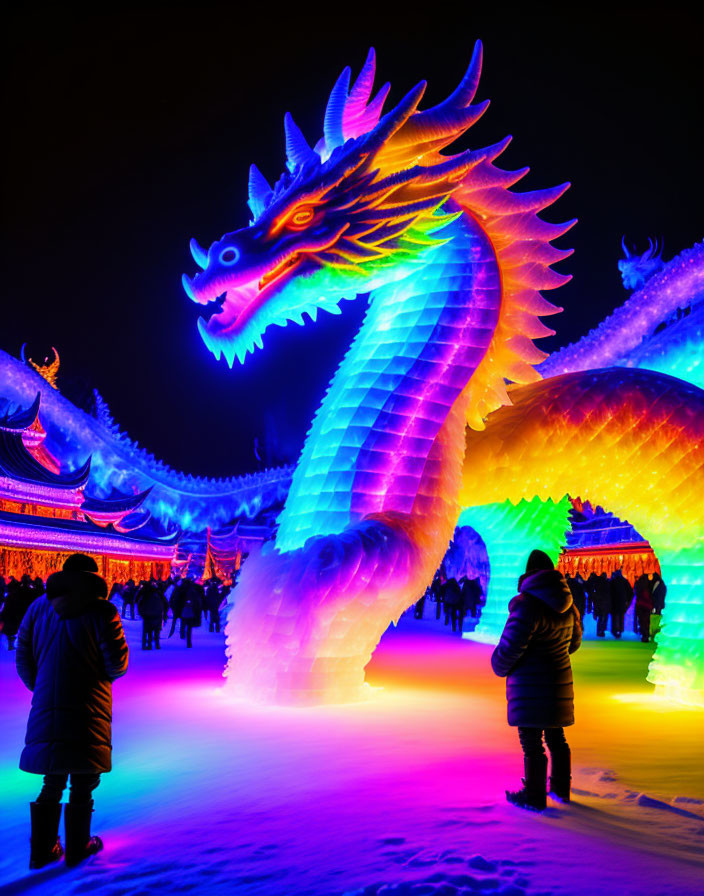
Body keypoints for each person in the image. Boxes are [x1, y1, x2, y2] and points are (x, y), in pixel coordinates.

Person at [15, 553, 129, 868]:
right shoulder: (102, 610)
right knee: (83, 776)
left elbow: (22, 652)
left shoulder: (38, 607)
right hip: (89, 703)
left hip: (47, 704)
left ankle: (43, 849)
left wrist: (41, 686)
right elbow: (117, 665)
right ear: (95, 577)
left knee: (53, 777)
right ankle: (79, 846)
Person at [491, 550, 582, 811]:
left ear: (528, 574)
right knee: (557, 738)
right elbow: (573, 644)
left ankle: (533, 795)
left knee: (531, 743)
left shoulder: (527, 605)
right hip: (558, 682)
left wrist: (499, 664)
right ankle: (561, 789)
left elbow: (511, 647)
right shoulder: (567, 605)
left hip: (530, 685)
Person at [137, 578, 164, 649]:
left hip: (147, 614)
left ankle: (148, 644)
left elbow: (137, 601)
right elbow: (164, 602)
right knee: (157, 629)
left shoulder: (144, 593)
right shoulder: (157, 592)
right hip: (157, 613)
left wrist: (141, 613)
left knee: (147, 630)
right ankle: (157, 644)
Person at [609, 570, 633, 639]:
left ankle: (615, 630)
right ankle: (620, 630)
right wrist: (627, 601)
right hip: (622, 602)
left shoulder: (612, 582)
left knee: (615, 617)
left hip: (614, 602)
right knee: (620, 617)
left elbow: (609, 592)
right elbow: (631, 592)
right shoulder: (625, 581)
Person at [635, 573, 654, 642]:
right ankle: (646, 635)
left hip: (640, 605)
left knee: (642, 621)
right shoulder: (648, 586)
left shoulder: (639, 586)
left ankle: (643, 635)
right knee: (646, 621)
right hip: (647, 606)